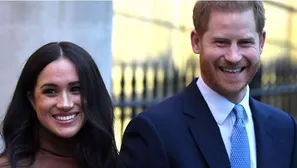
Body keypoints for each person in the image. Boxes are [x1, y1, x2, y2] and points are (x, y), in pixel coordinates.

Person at [118, 1, 297, 168]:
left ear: (261, 42)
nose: (233, 57)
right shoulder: (153, 132)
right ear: (196, 41)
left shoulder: (285, 129)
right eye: (221, 42)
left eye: (244, 42)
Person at [0, 41, 118, 168]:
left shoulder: (111, 161)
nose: (65, 104)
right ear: (32, 100)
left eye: (76, 89)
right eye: (50, 91)